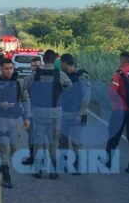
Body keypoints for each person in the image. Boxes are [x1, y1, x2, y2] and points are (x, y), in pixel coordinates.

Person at [24, 49, 72, 179]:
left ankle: (38, 170)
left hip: (38, 112)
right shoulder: (60, 75)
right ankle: (53, 171)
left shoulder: (35, 74)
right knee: (53, 142)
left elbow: (26, 87)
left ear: (43, 60)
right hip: (55, 113)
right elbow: (69, 87)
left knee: (39, 141)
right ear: (54, 60)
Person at [0, 58, 31, 188]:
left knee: (14, 149)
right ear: (1, 69)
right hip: (0, 119)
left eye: (11, 68)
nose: (9, 71)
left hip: (14, 119)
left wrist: (26, 118)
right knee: (4, 146)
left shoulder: (18, 83)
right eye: (6, 68)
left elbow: (25, 101)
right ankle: (6, 176)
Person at [106, 51, 129, 174]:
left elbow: (111, 93)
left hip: (120, 110)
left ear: (122, 60)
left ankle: (109, 163)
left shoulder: (118, 74)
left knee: (113, 136)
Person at [58, 53, 91, 175]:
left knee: (76, 141)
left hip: (76, 113)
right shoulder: (62, 76)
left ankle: (77, 165)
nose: (60, 65)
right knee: (62, 140)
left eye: (61, 63)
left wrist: (81, 113)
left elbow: (86, 97)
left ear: (65, 63)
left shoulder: (82, 76)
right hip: (63, 112)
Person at [22, 57, 43, 165]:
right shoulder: (27, 79)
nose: (36, 68)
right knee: (31, 135)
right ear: (30, 67)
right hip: (32, 111)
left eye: (38, 66)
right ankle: (32, 157)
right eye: (34, 66)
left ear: (42, 66)